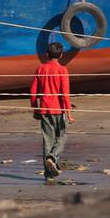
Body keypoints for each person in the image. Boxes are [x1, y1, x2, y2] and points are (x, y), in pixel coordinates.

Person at [30, 41, 73, 182]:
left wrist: (35, 108)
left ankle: (49, 175)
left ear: (47, 54)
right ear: (61, 55)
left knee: (47, 139)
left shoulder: (40, 68)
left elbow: (33, 91)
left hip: (44, 109)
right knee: (62, 137)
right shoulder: (63, 70)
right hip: (59, 109)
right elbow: (65, 94)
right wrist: (69, 113)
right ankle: (52, 157)